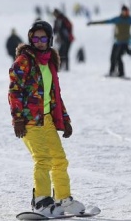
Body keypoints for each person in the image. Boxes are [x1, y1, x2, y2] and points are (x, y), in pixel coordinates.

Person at [8, 20, 86, 217]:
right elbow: (14, 91)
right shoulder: (23, 61)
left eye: (43, 38)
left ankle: (63, 199)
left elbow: (55, 96)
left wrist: (65, 119)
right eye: (36, 38)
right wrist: (18, 119)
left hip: (47, 119)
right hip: (29, 121)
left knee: (59, 159)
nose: (39, 41)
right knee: (42, 159)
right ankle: (41, 201)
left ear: (50, 39)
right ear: (30, 39)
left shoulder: (49, 62)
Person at [87, 5, 131, 77]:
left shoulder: (130, 20)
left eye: (127, 11)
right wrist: (92, 23)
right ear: (122, 12)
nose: (126, 13)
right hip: (117, 42)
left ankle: (121, 73)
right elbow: (105, 21)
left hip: (125, 42)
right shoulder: (117, 19)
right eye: (125, 11)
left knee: (118, 57)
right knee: (112, 57)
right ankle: (112, 72)